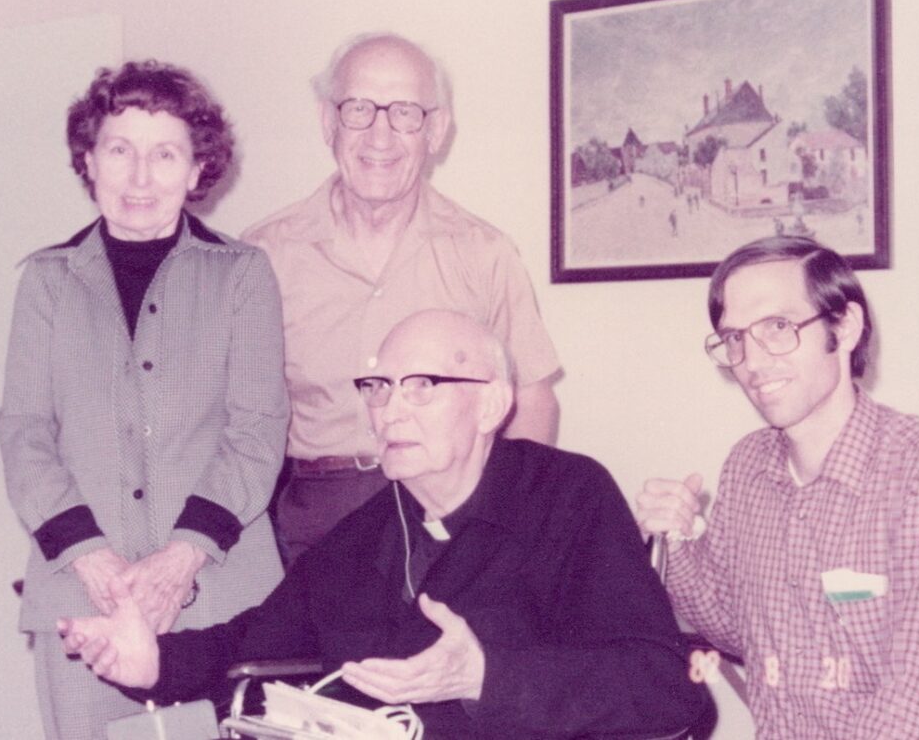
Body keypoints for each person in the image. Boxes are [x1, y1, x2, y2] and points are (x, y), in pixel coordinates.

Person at [60, 310, 707, 740]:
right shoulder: (367, 530)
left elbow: (668, 690)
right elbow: (254, 638)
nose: (389, 409)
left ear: (492, 403)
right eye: (377, 386)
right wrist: (152, 661)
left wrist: (484, 675)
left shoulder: (568, 498)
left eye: (422, 385)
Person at [0, 60, 289, 740]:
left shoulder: (243, 275)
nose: (140, 177)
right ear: (89, 161)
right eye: (119, 150)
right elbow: (24, 431)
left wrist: (180, 557)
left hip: (222, 598)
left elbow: (256, 431)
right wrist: (92, 559)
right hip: (80, 602)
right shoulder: (45, 281)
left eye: (165, 154)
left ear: (196, 169)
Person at [242, 33, 561, 564]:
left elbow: (532, 398)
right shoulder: (263, 255)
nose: (380, 136)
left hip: (451, 509)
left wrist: (504, 527)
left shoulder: (484, 253)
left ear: (436, 129)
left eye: (405, 113)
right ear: (328, 122)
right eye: (359, 109)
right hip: (317, 518)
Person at [635, 236, 919, 739]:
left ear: (845, 327)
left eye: (777, 327)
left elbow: (914, 703)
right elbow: (733, 628)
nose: (752, 362)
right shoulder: (748, 464)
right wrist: (681, 541)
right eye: (735, 338)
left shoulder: (918, 471)